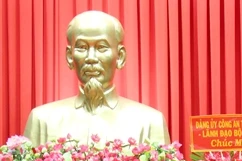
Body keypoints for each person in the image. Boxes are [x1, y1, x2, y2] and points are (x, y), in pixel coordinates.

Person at [23, 10, 170, 145]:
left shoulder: (150, 123)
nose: (91, 58)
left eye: (101, 47)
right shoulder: (42, 121)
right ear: (69, 56)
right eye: (82, 47)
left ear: (120, 56)